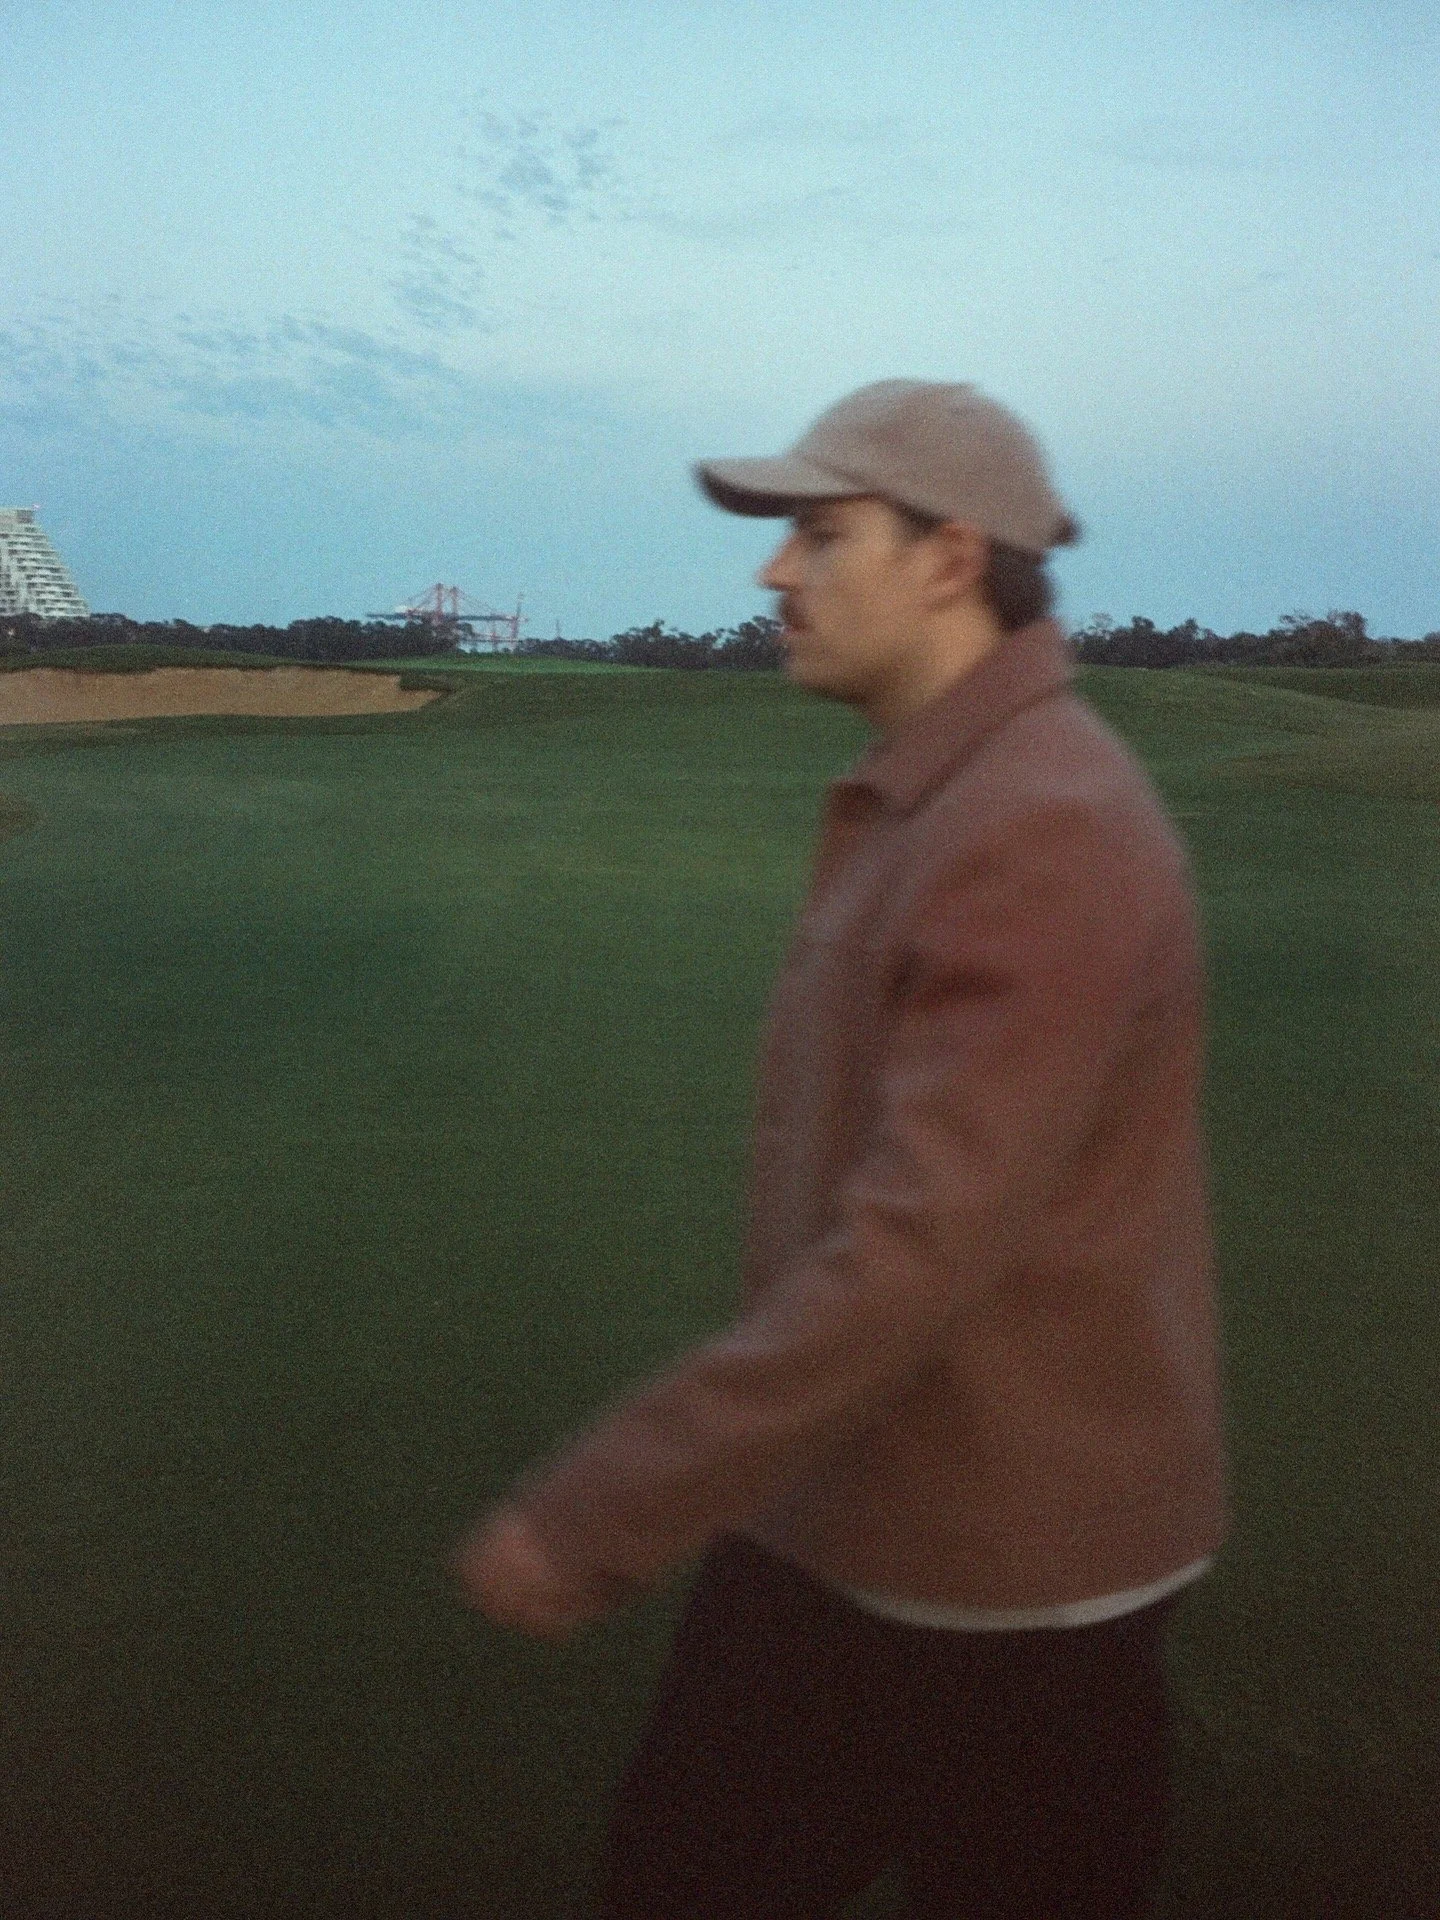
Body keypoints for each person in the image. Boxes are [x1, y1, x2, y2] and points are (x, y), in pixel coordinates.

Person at [453, 379, 1231, 1919]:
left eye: (818, 534)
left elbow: (915, 1246)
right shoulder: (945, 792)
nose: (771, 575)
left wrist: (604, 1504)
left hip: (1004, 1581)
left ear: (949, 559)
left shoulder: (1041, 823)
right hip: (857, 1515)